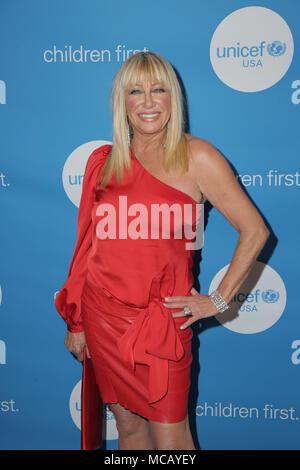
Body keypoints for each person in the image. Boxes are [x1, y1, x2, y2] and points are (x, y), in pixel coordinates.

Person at [55, 51, 270, 450]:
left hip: (163, 325)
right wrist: (77, 320)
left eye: (159, 90)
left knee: (173, 438)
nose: (149, 102)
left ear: (174, 98)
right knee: (129, 428)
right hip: (105, 318)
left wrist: (219, 300)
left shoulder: (197, 156)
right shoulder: (102, 163)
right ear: (123, 102)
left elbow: (255, 231)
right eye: (136, 92)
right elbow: (87, 247)